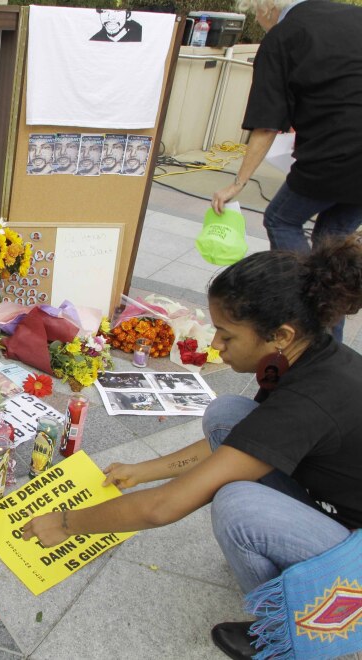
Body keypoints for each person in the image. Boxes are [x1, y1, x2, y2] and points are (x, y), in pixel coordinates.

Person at [21, 236, 362, 659]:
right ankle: (292, 565)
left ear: (280, 334)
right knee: (227, 414)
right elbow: (247, 441)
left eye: (226, 335)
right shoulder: (299, 357)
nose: (214, 346)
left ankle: (290, 629)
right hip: (337, 508)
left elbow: (163, 508)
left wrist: (67, 523)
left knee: (239, 506)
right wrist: (143, 469)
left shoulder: (311, 397)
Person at [211, 0, 362, 342]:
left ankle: (309, 310)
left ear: (266, 8)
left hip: (336, 150)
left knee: (281, 218)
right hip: (347, 155)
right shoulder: (353, 16)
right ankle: (328, 342)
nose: (259, 22)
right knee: (332, 244)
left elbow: (266, 124)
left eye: (256, 15)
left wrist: (238, 183)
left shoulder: (283, 35)